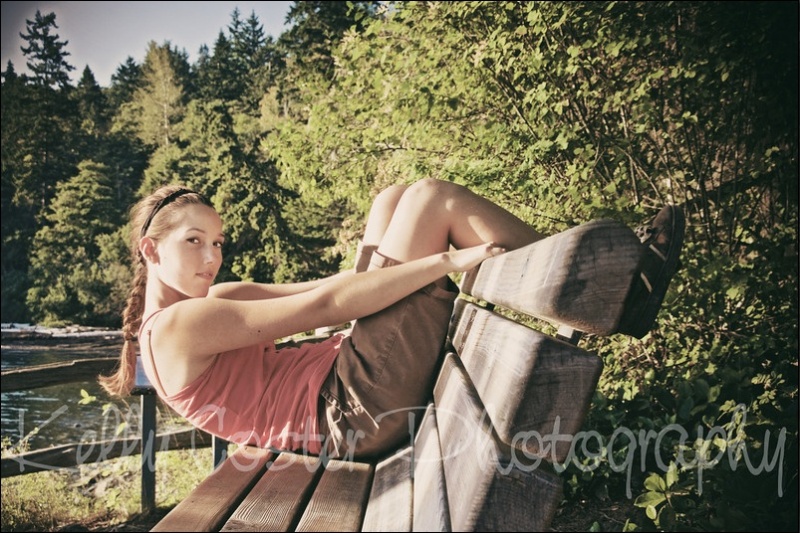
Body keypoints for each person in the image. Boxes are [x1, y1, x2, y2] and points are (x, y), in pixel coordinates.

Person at [99, 178, 682, 460]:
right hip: (348, 413)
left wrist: (389, 242)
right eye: (194, 242)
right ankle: (609, 287)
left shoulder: (209, 302)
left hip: (347, 389)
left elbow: (331, 286)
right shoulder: (178, 328)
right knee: (431, 201)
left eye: (218, 241)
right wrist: (444, 259)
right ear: (150, 251)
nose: (212, 257)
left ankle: (595, 284)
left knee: (393, 198)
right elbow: (329, 308)